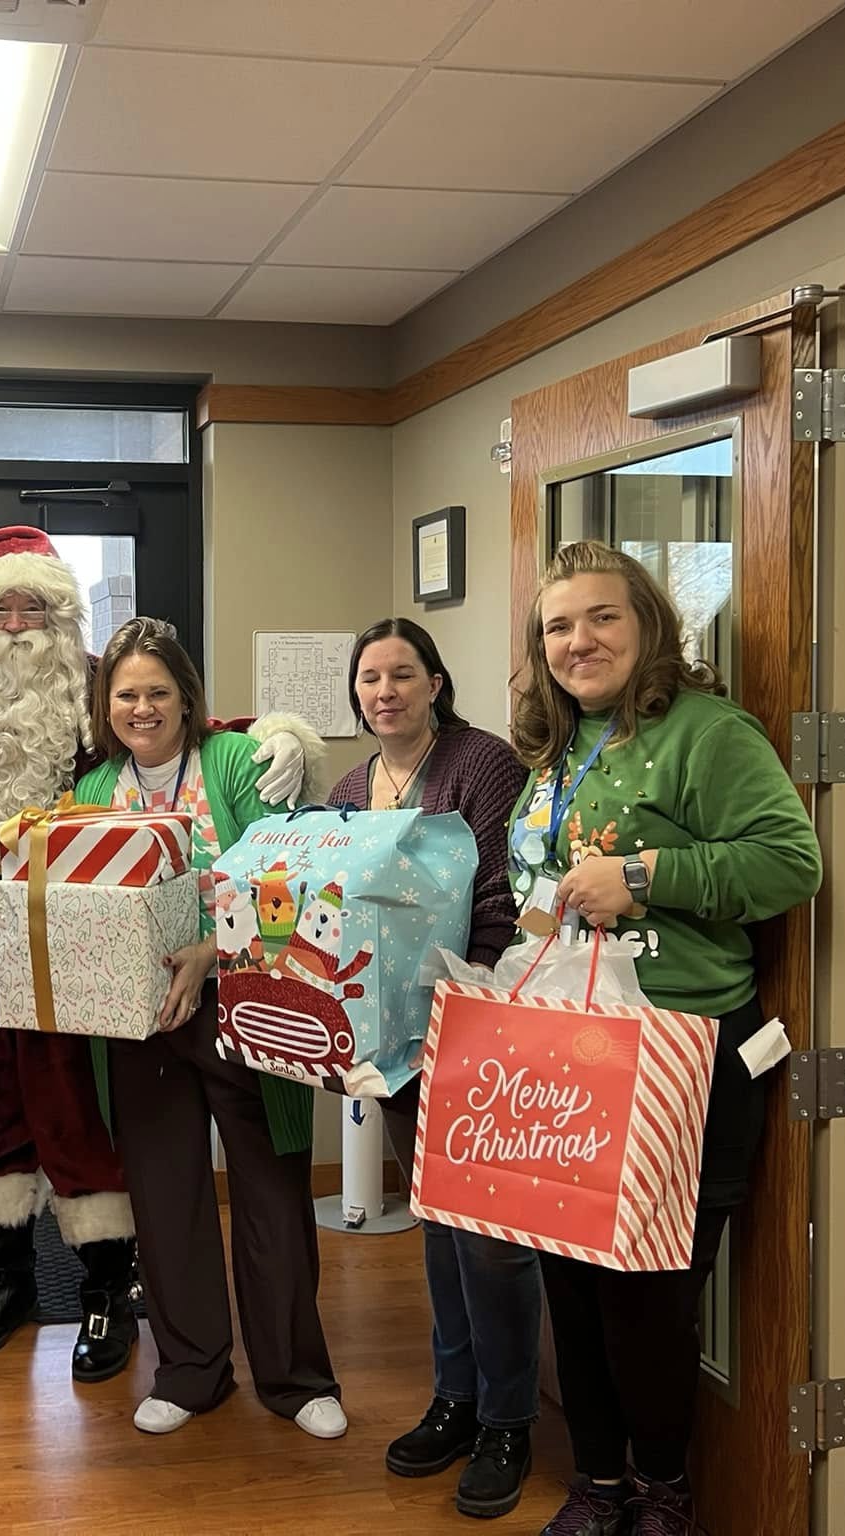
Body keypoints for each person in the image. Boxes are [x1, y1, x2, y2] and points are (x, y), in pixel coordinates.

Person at [0, 526, 315, 1381]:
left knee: (81, 1110)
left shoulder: (89, 685)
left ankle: (104, 1292)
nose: (16, 624)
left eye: (34, 605)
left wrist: (275, 734)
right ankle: (5, 1281)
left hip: (87, 939)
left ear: (59, 612)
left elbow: (170, 731)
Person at [506, 542, 820, 1536]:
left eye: (600, 617)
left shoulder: (706, 734)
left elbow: (787, 864)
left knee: (645, 1299)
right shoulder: (558, 747)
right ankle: (594, 1484)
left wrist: (642, 877)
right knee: (569, 1282)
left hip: (678, 1055)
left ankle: (658, 1492)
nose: (577, 640)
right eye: (558, 625)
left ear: (645, 627)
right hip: (569, 1049)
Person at [74, 619, 345, 1441]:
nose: (144, 707)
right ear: (105, 704)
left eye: (159, 691)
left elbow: (291, 877)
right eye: (127, 694)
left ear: (188, 697)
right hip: (141, 1025)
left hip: (248, 1011)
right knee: (166, 1196)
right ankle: (191, 1370)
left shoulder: (233, 763)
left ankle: (296, 1376)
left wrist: (210, 954)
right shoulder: (91, 794)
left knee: (269, 1188)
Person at [330, 617, 538, 1521]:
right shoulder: (347, 786)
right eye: (370, 678)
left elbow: (500, 890)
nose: (385, 692)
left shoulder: (481, 764)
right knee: (438, 1224)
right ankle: (455, 1399)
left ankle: (508, 1420)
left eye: (402, 675)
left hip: (478, 1022)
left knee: (492, 1241)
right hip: (393, 1038)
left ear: (436, 683)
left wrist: (471, 997)